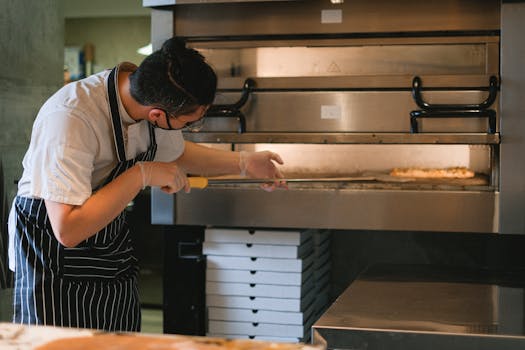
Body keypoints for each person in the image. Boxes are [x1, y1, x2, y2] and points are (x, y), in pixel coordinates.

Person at [8, 37, 285, 331]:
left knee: (121, 338)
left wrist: (243, 163)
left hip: (106, 242)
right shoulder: (71, 118)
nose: (189, 128)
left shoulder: (149, 98)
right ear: (158, 114)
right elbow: (68, 229)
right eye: (189, 122)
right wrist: (142, 174)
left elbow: (179, 153)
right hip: (52, 251)